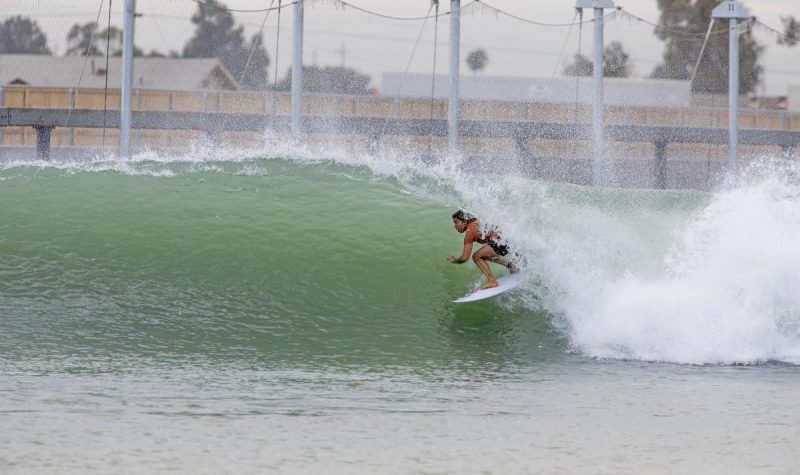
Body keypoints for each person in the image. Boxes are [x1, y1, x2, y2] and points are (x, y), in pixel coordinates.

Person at [447, 210, 518, 290]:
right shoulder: (475, 221)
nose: (455, 226)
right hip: (509, 240)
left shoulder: (470, 231)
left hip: (504, 243)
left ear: (465, 221)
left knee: (476, 256)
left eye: (456, 222)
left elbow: (464, 258)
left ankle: (492, 281)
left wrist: (455, 260)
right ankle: (512, 266)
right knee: (485, 254)